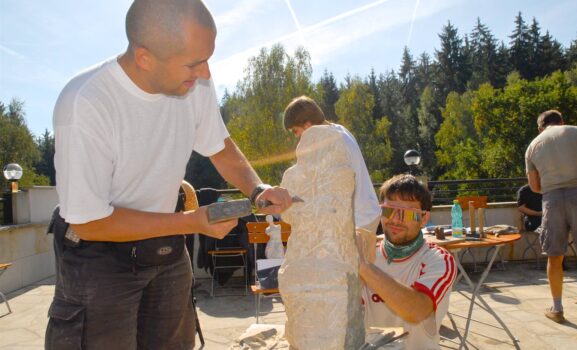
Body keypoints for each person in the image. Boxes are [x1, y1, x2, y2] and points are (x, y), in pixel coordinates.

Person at [47, 1, 292, 349]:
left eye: (208, 59)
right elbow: (89, 222)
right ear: (145, 57)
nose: (205, 73)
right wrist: (192, 222)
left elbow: (219, 146)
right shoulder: (85, 103)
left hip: (166, 246)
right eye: (194, 63)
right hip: (97, 255)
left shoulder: (194, 80)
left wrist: (257, 189)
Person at [358, 174, 457, 349]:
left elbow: (417, 311)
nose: (395, 219)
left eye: (408, 213)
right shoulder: (367, 253)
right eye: (388, 210)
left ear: (424, 219)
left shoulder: (439, 260)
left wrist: (363, 267)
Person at [525, 109, 577, 328]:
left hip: (552, 199)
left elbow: (534, 186)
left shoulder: (533, 146)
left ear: (540, 128)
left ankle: (557, 309)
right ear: (561, 121)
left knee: (554, 256)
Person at [283, 95, 381, 233]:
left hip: (355, 222)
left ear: (308, 125)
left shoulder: (328, 144)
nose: (296, 136)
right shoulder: (339, 130)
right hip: (367, 214)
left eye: (296, 131)